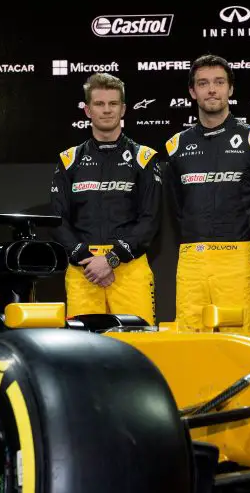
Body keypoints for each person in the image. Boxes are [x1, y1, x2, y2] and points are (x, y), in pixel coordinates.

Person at [164, 54, 250, 333]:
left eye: (219, 82)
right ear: (192, 91)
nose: (211, 89)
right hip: (192, 258)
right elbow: (177, 208)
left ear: (231, 89)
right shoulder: (176, 145)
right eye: (203, 83)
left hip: (238, 258)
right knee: (190, 343)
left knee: (239, 343)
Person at [50, 72, 162, 324]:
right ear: (87, 110)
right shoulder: (69, 160)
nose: (107, 110)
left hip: (130, 269)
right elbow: (57, 219)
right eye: (99, 104)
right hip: (84, 270)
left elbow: (150, 220)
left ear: (123, 109)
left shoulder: (144, 157)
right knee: (84, 345)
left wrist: (111, 259)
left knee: (138, 343)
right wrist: (88, 261)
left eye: (113, 103)